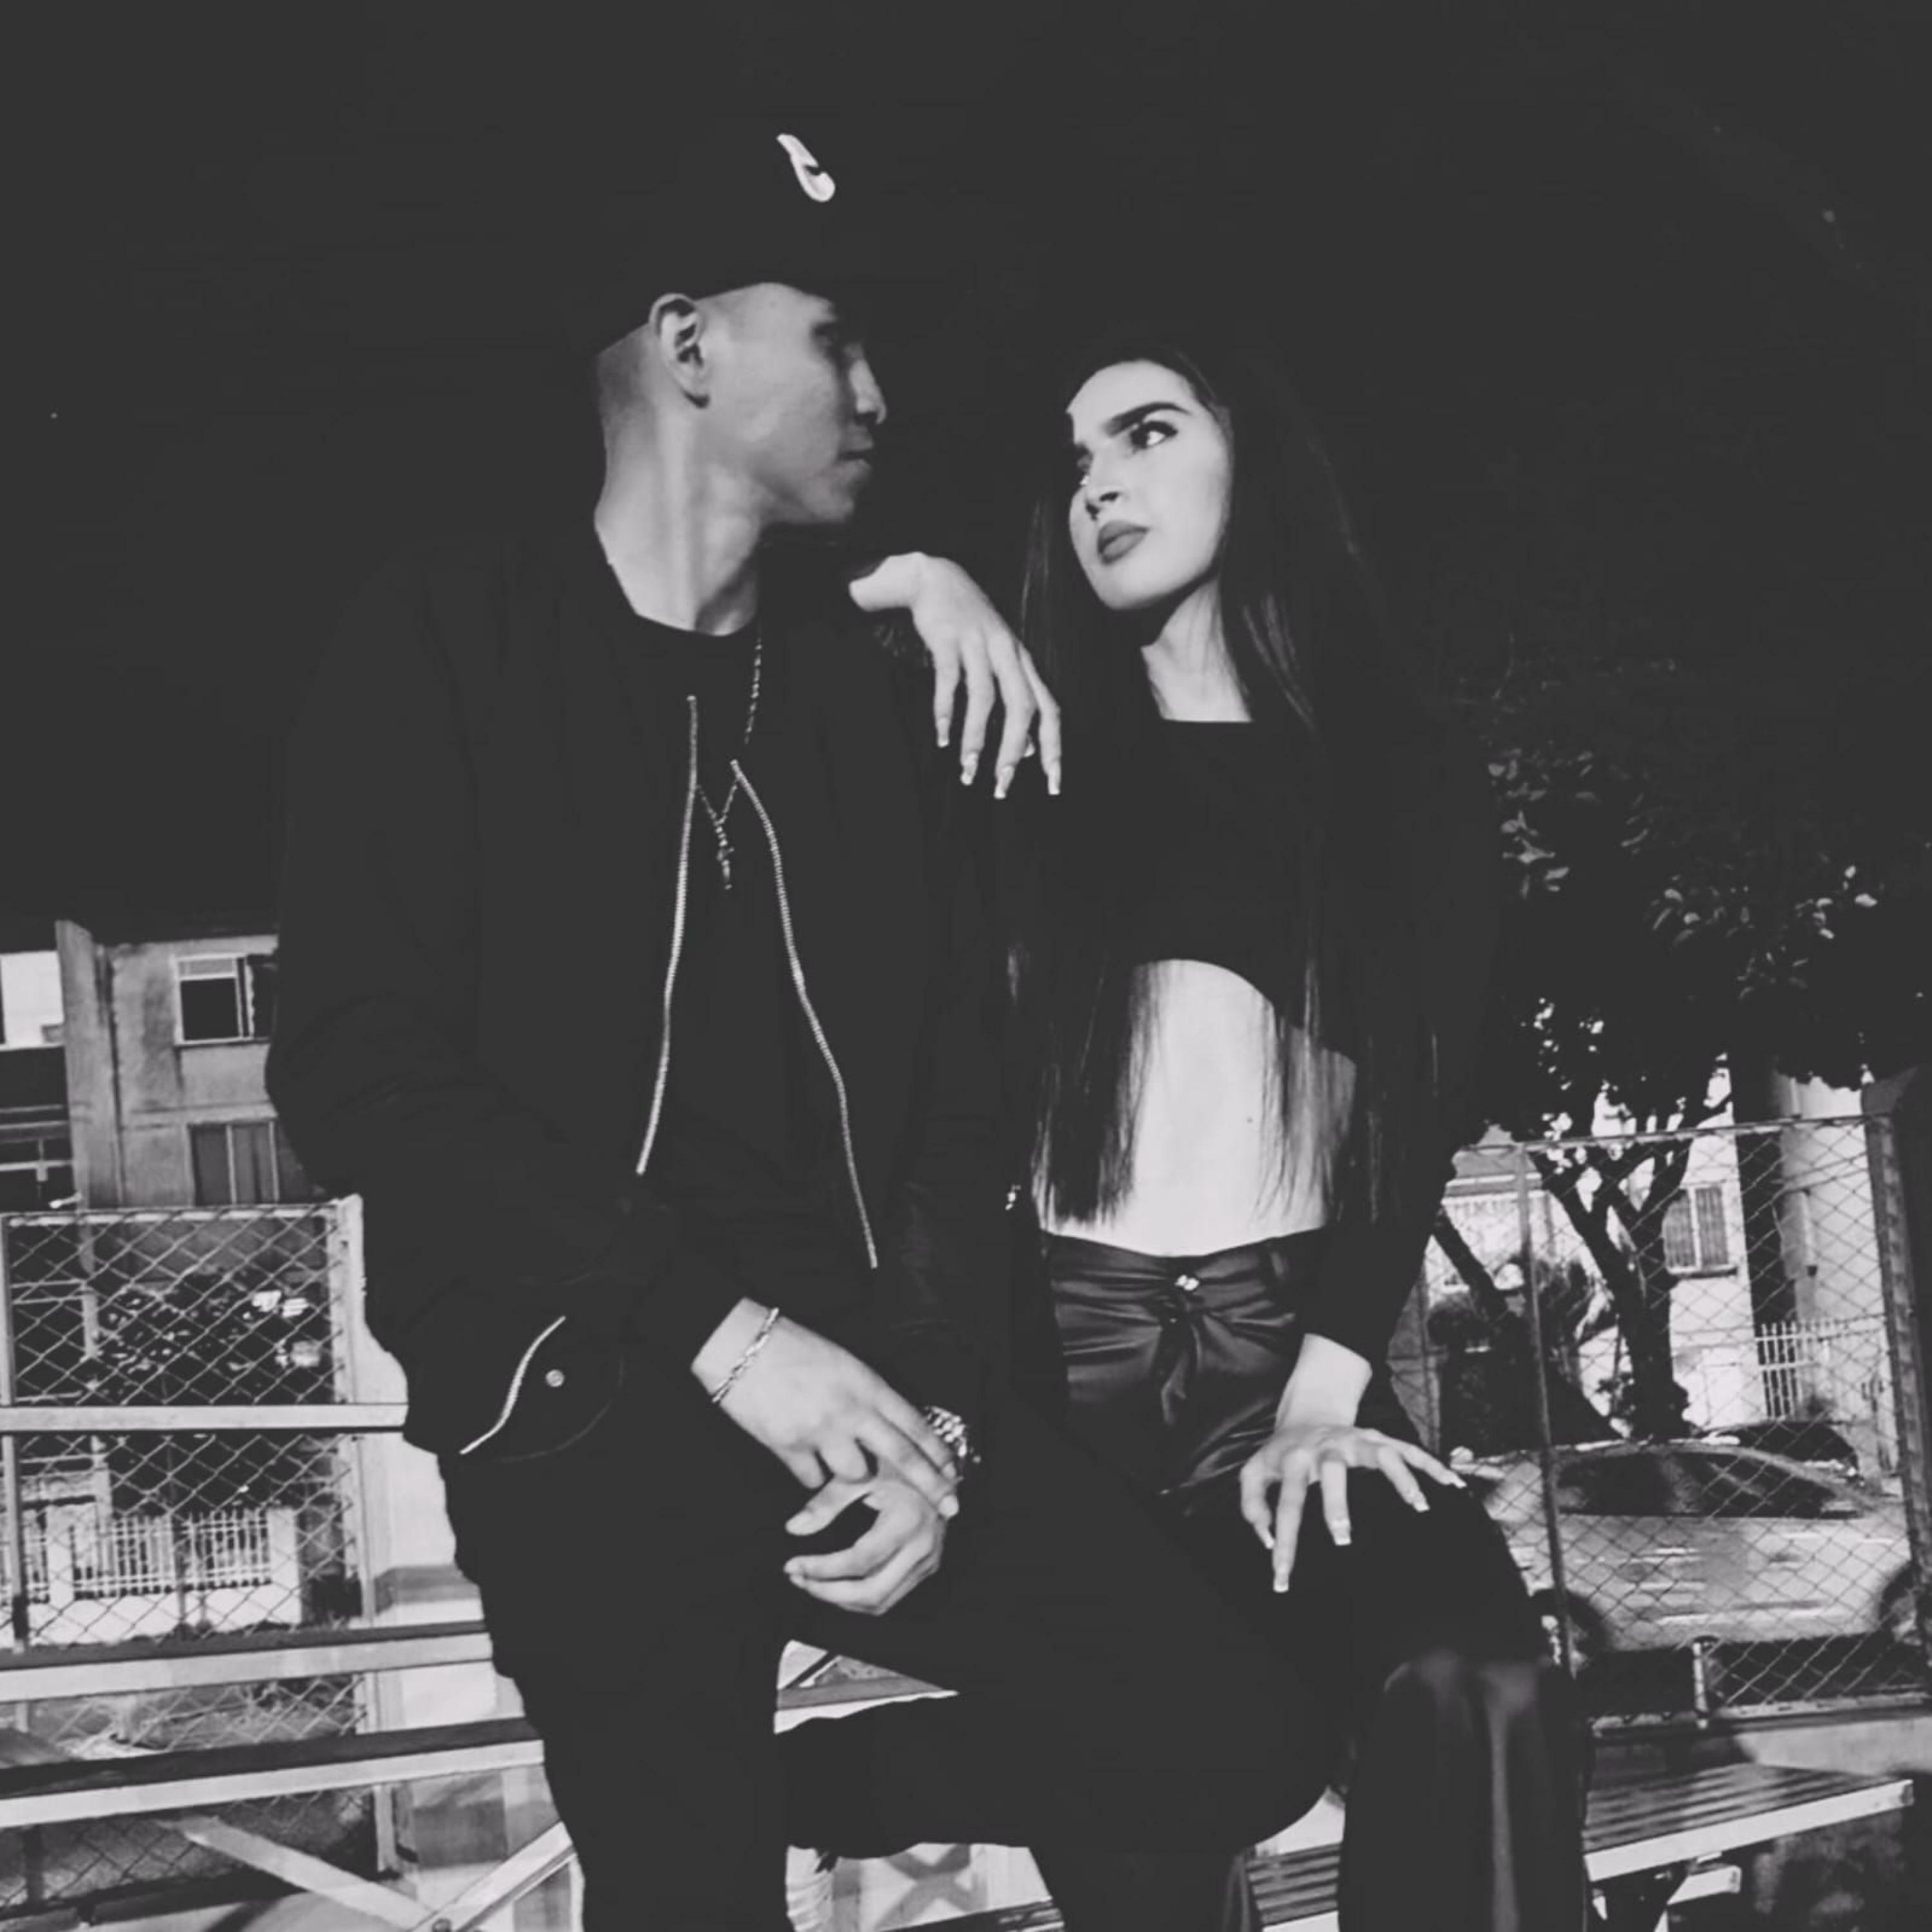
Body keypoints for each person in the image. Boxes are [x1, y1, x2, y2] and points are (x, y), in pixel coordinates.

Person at [267, 127, 1328, 1932]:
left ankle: (744, 1804)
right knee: (687, 1898)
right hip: (584, 1390)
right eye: (835, 339)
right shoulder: (444, 640)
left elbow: (958, 1110)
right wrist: (726, 1335)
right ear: (689, 346)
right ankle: (682, 1824)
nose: (877, 392)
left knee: (1240, 1727)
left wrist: (943, 1422)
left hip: (866, 1390)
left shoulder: (869, 692)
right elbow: (357, 1069)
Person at [885, 320, 1595, 1930]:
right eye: (1072, 462)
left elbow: (1412, 1106)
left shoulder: (1393, 771)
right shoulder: (1009, 756)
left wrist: (1326, 1391)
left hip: (1294, 1362)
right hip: (1054, 1381)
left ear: (1252, 460)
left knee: (1475, 1679)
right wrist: (915, 582)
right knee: (1157, 1839)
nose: (1097, 484)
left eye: (1145, 433)